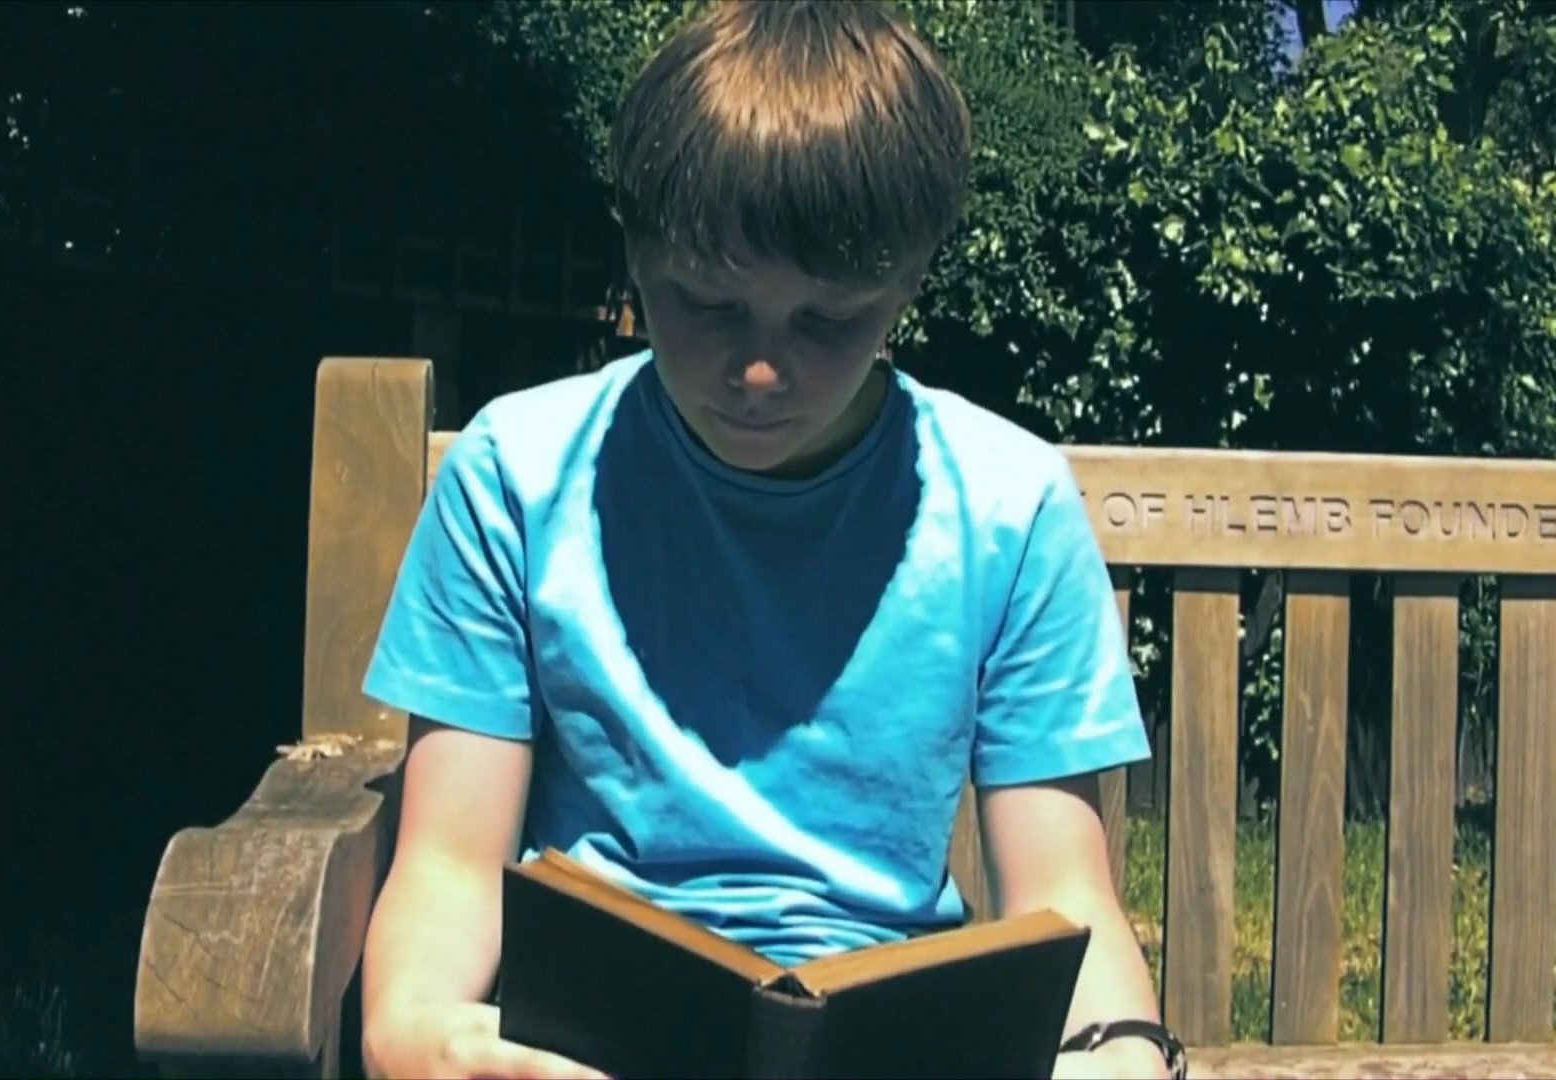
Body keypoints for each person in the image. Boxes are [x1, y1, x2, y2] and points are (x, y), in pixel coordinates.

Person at [357, 2, 1177, 1078]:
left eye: (827, 322)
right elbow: (449, 865)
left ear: (908, 286)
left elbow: (1065, 901)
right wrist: (425, 1032)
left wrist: (1119, 1055)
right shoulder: (516, 478)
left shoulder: (1010, 509)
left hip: (888, 1041)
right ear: (636, 256)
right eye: (708, 306)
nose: (757, 371)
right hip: (593, 1039)